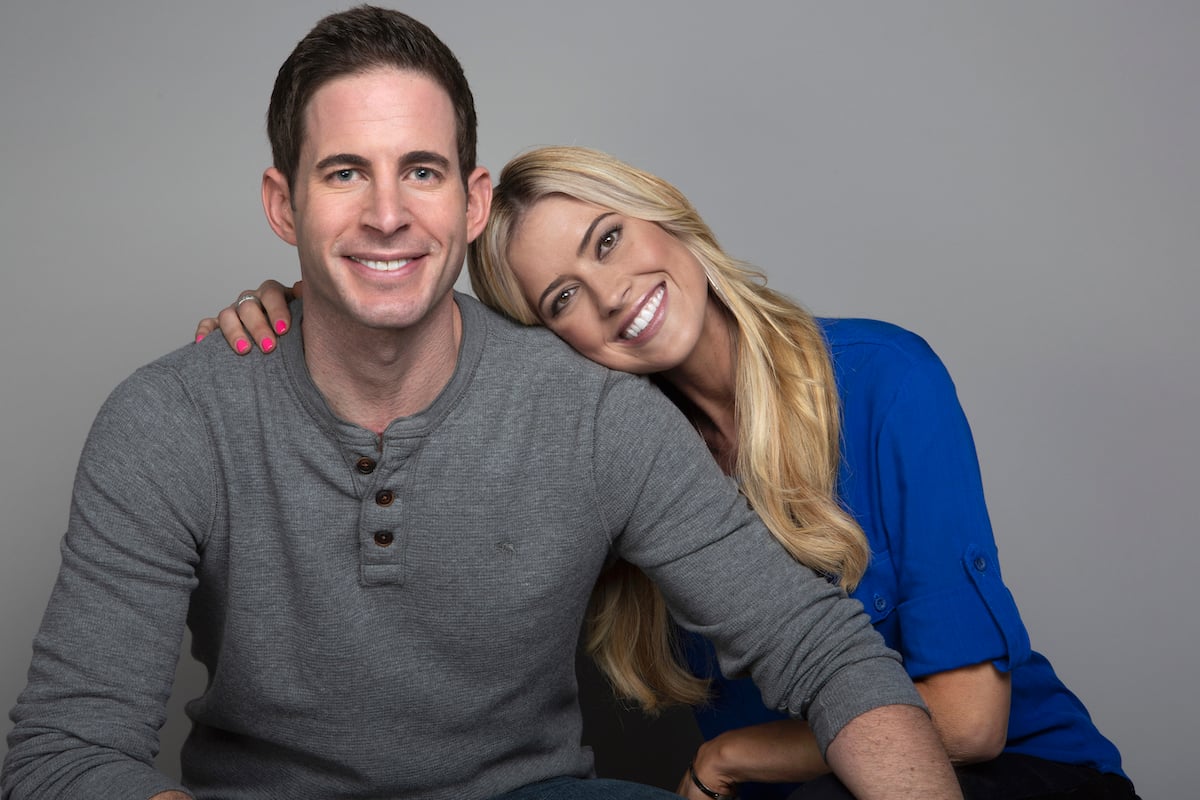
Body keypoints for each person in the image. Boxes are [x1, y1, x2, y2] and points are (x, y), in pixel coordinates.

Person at [2, 7, 965, 800]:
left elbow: (823, 648)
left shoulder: (593, 413)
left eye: (419, 170)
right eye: (345, 173)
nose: (387, 213)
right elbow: (63, 755)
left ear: (469, 204)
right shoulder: (170, 420)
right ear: (283, 205)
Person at [204, 146, 1139, 800]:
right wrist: (322, 317)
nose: (611, 295)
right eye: (563, 297)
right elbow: (435, 410)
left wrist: (736, 757)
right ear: (550, 344)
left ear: (665, 217)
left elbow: (971, 721)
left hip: (1022, 778)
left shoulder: (887, 378)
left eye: (607, 239)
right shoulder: (614, 456)